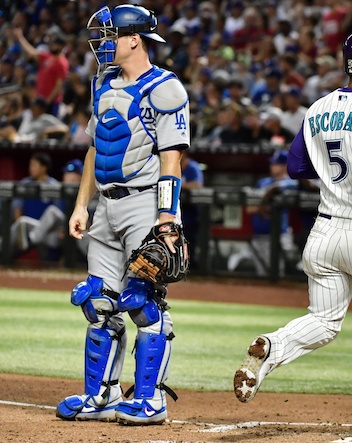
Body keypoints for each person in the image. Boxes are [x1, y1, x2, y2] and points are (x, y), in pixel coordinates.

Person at [233, 28, 352, 441]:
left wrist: (335, 180)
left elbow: (296, 167)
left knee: (323, 320)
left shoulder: (318, 107)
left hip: (325, 231)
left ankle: (272, 346)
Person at [55, 5, 189, 425]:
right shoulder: (104, 83)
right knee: (98, 302)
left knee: (143, 303)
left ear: (135, 39)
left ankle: (150, 401)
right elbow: (96, 148)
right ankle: (102, 396)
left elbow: (172, 159)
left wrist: (167, 217)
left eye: (112, 35)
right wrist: (82, 204)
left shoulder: (166, 88)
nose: (105, 42)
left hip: (146, 203)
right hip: (107, 205)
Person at [227, 149, 299, 276]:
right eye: (272, 163)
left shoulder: (291, 182)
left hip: (278, 235)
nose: (272, 166)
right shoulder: (263, 182)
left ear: (285, 166)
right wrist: (263, 207)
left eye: (276, 164)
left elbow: (272, 200)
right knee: (261, 274)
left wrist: (262, 206)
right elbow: (249, 208)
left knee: (277, 273)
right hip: (259, 234)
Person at [12, 159, 89, 258]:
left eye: (72, 174)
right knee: (23, 222)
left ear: (80, 176)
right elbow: (57, 217)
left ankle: (31, 240)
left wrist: (71, 229)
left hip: (77, 231)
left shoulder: (87, 192)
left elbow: (92, 222)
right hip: (58, 232)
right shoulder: (61, 190)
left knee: (52, 212)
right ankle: (5, 249)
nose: (67, 176)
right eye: (67, 173)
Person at [10, 152, 62, 257]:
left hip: (49, 229)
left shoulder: (55, 185)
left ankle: (31, 240)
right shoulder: (24, 184)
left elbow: (59, 212)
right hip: (33, 226)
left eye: (34, 165)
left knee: (52, 212)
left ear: (43, 168)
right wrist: (22, 233)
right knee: (20, 222)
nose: (31, 168)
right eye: (30, 165)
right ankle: (3, 251)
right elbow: (17, 210)